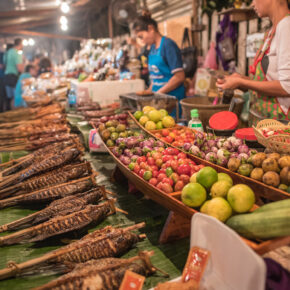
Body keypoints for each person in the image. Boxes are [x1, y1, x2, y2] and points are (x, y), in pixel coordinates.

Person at [216, 0, 290, 123]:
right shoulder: (272, 31)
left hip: (281, 125)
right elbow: (270, 81)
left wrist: (240, 81)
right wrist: (241, 80)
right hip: (265, 120)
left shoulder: (286, 26)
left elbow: (287, 86)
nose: (252, 4)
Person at [133, 15, 185, 117]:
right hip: (159, 101)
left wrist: (159, 93)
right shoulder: (152, 48)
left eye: (141, 36)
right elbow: (156, 75)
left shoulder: (168, 45)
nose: (141, 40)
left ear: (151, 28)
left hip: (171, 101)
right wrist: (149, 92)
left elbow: (179, 76)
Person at [4, 39, 24, 110]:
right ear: (20, 44)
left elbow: (4, 64)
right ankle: (13, 114)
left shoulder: (8, 52)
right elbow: (19, 68)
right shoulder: (17, 53)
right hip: (13, 77)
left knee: (8, 98)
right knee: (15, 97)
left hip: (6, 76)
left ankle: (6, 113)